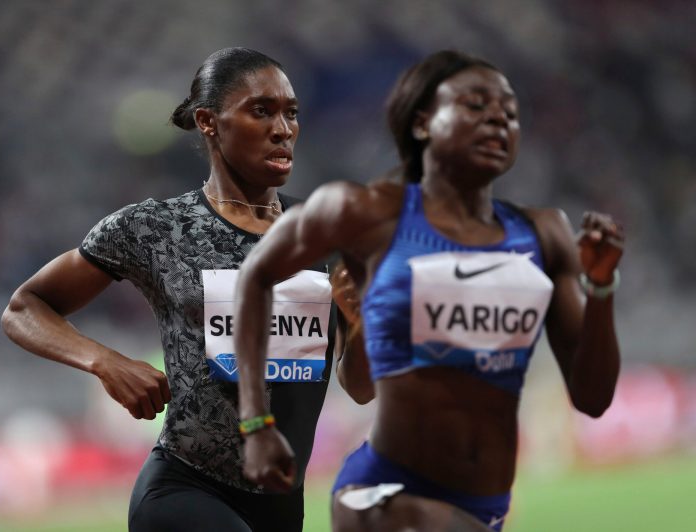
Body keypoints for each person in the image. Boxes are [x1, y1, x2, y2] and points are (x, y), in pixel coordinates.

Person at [233, 50, 624, 531]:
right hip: (388, 495)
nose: (498, 118)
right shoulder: (363, 212)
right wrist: (256, 424)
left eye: (510, 111)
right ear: (423, 123)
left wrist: (601, 287)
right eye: (476, 105)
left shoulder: (543, 234)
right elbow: (255, 276)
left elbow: (592, 397)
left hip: (486, 506)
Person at [2, 47, 346, 532]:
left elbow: (360, 382)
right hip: (186, 489)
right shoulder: (154, 229)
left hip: (281, 503)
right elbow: (23, 308)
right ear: (209, 122)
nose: (283, 129)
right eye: (261, 111)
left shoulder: (326, 234)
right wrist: (106, 361)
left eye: (291, 113)